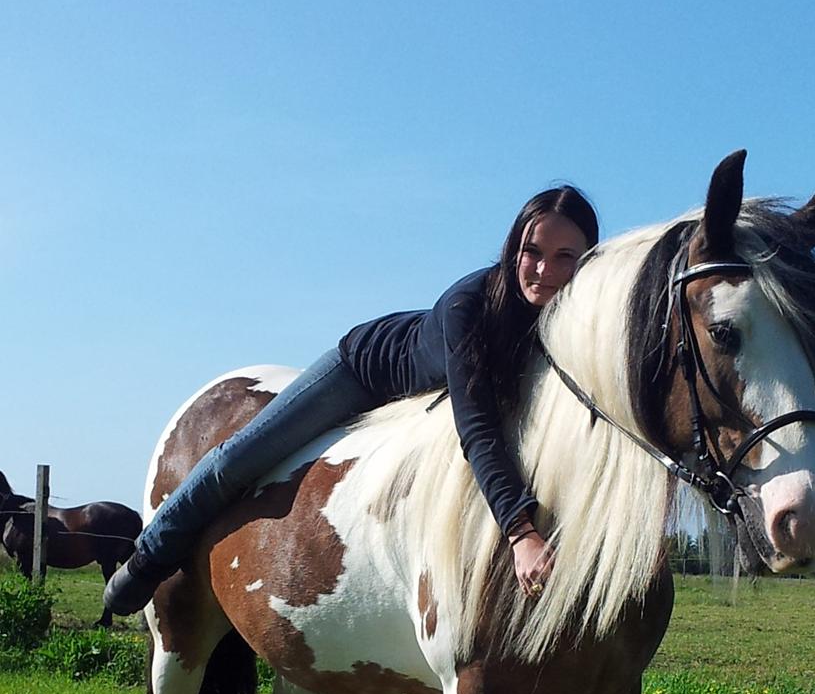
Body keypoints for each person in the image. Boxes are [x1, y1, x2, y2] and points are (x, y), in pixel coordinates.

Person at [103, 185, 600, 617]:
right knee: (240, 459)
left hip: (414, 409)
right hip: (364, 372)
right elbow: (478, 427)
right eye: (532, 251)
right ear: (513, 247)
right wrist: (519, 533)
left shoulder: (572, 326)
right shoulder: (468, 307)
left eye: (565, 258)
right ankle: (148, 556)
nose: (544, 270)